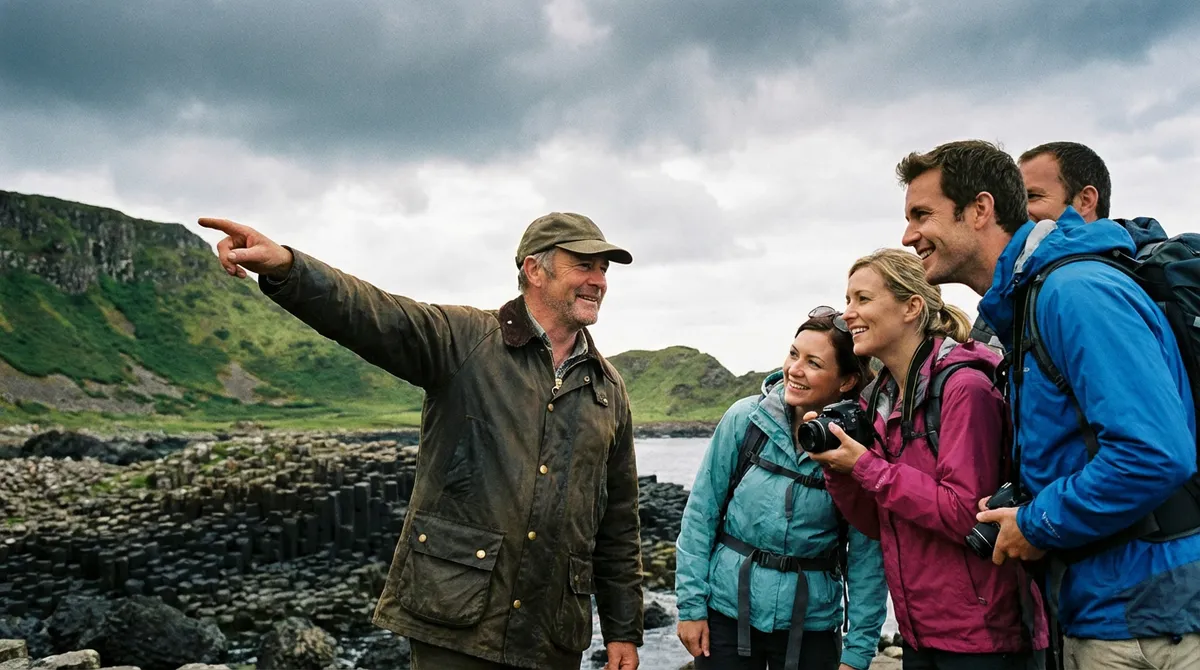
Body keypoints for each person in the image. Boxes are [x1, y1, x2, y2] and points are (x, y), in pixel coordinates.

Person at [198, 212, 644, 670]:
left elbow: (619, 523)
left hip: (551, 638)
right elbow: (370, 314)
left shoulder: (608, 391)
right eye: (584, 265)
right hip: (455, 622)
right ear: (534, 270)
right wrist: (287, 266)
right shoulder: (465, 340)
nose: (598, 281)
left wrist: (623, 631)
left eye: (604, 270)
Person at [896, 139, 1200, 669]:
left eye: (923, 214)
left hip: (1150, 623)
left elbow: (1155, 453)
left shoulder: (1074, 291)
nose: (908, 236)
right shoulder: (1028, 302)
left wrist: (1035, 523)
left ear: (980, 209)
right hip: (1110, 607)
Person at [809, 249, 1048, 669]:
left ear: (911, 307)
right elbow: (878, 522)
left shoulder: (964, 389)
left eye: (862, 299)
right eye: (847, 301)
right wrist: (838, 468)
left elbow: (964, 513)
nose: (848, 314)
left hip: (982, 638)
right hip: (920, 633)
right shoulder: (882, 400)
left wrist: (865, 465)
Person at [675, 309, 888, 670]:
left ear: (847, 381)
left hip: (812, 628)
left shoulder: (860, 447)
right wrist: (691, 607)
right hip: (727, 618)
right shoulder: (745, 420)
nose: (794, 370)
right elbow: (701, 514)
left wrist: (858, 649)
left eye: (814, 363)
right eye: (793, 354)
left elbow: (868, 553)